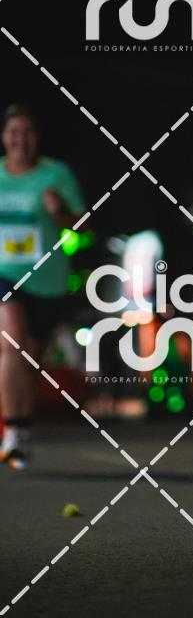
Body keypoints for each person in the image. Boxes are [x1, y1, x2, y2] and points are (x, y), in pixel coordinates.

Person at [0, 104, 86, 470]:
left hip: (47, 280)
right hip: (5, 275)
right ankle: (11, 429)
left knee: (30, 361)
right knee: (12, 342)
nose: (20, 139)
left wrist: (59, 210)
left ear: (36, 138)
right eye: (13, 132)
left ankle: (22, 429)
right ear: (4, 137)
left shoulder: (56, 174)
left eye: (27, 132)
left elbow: (80, 224)